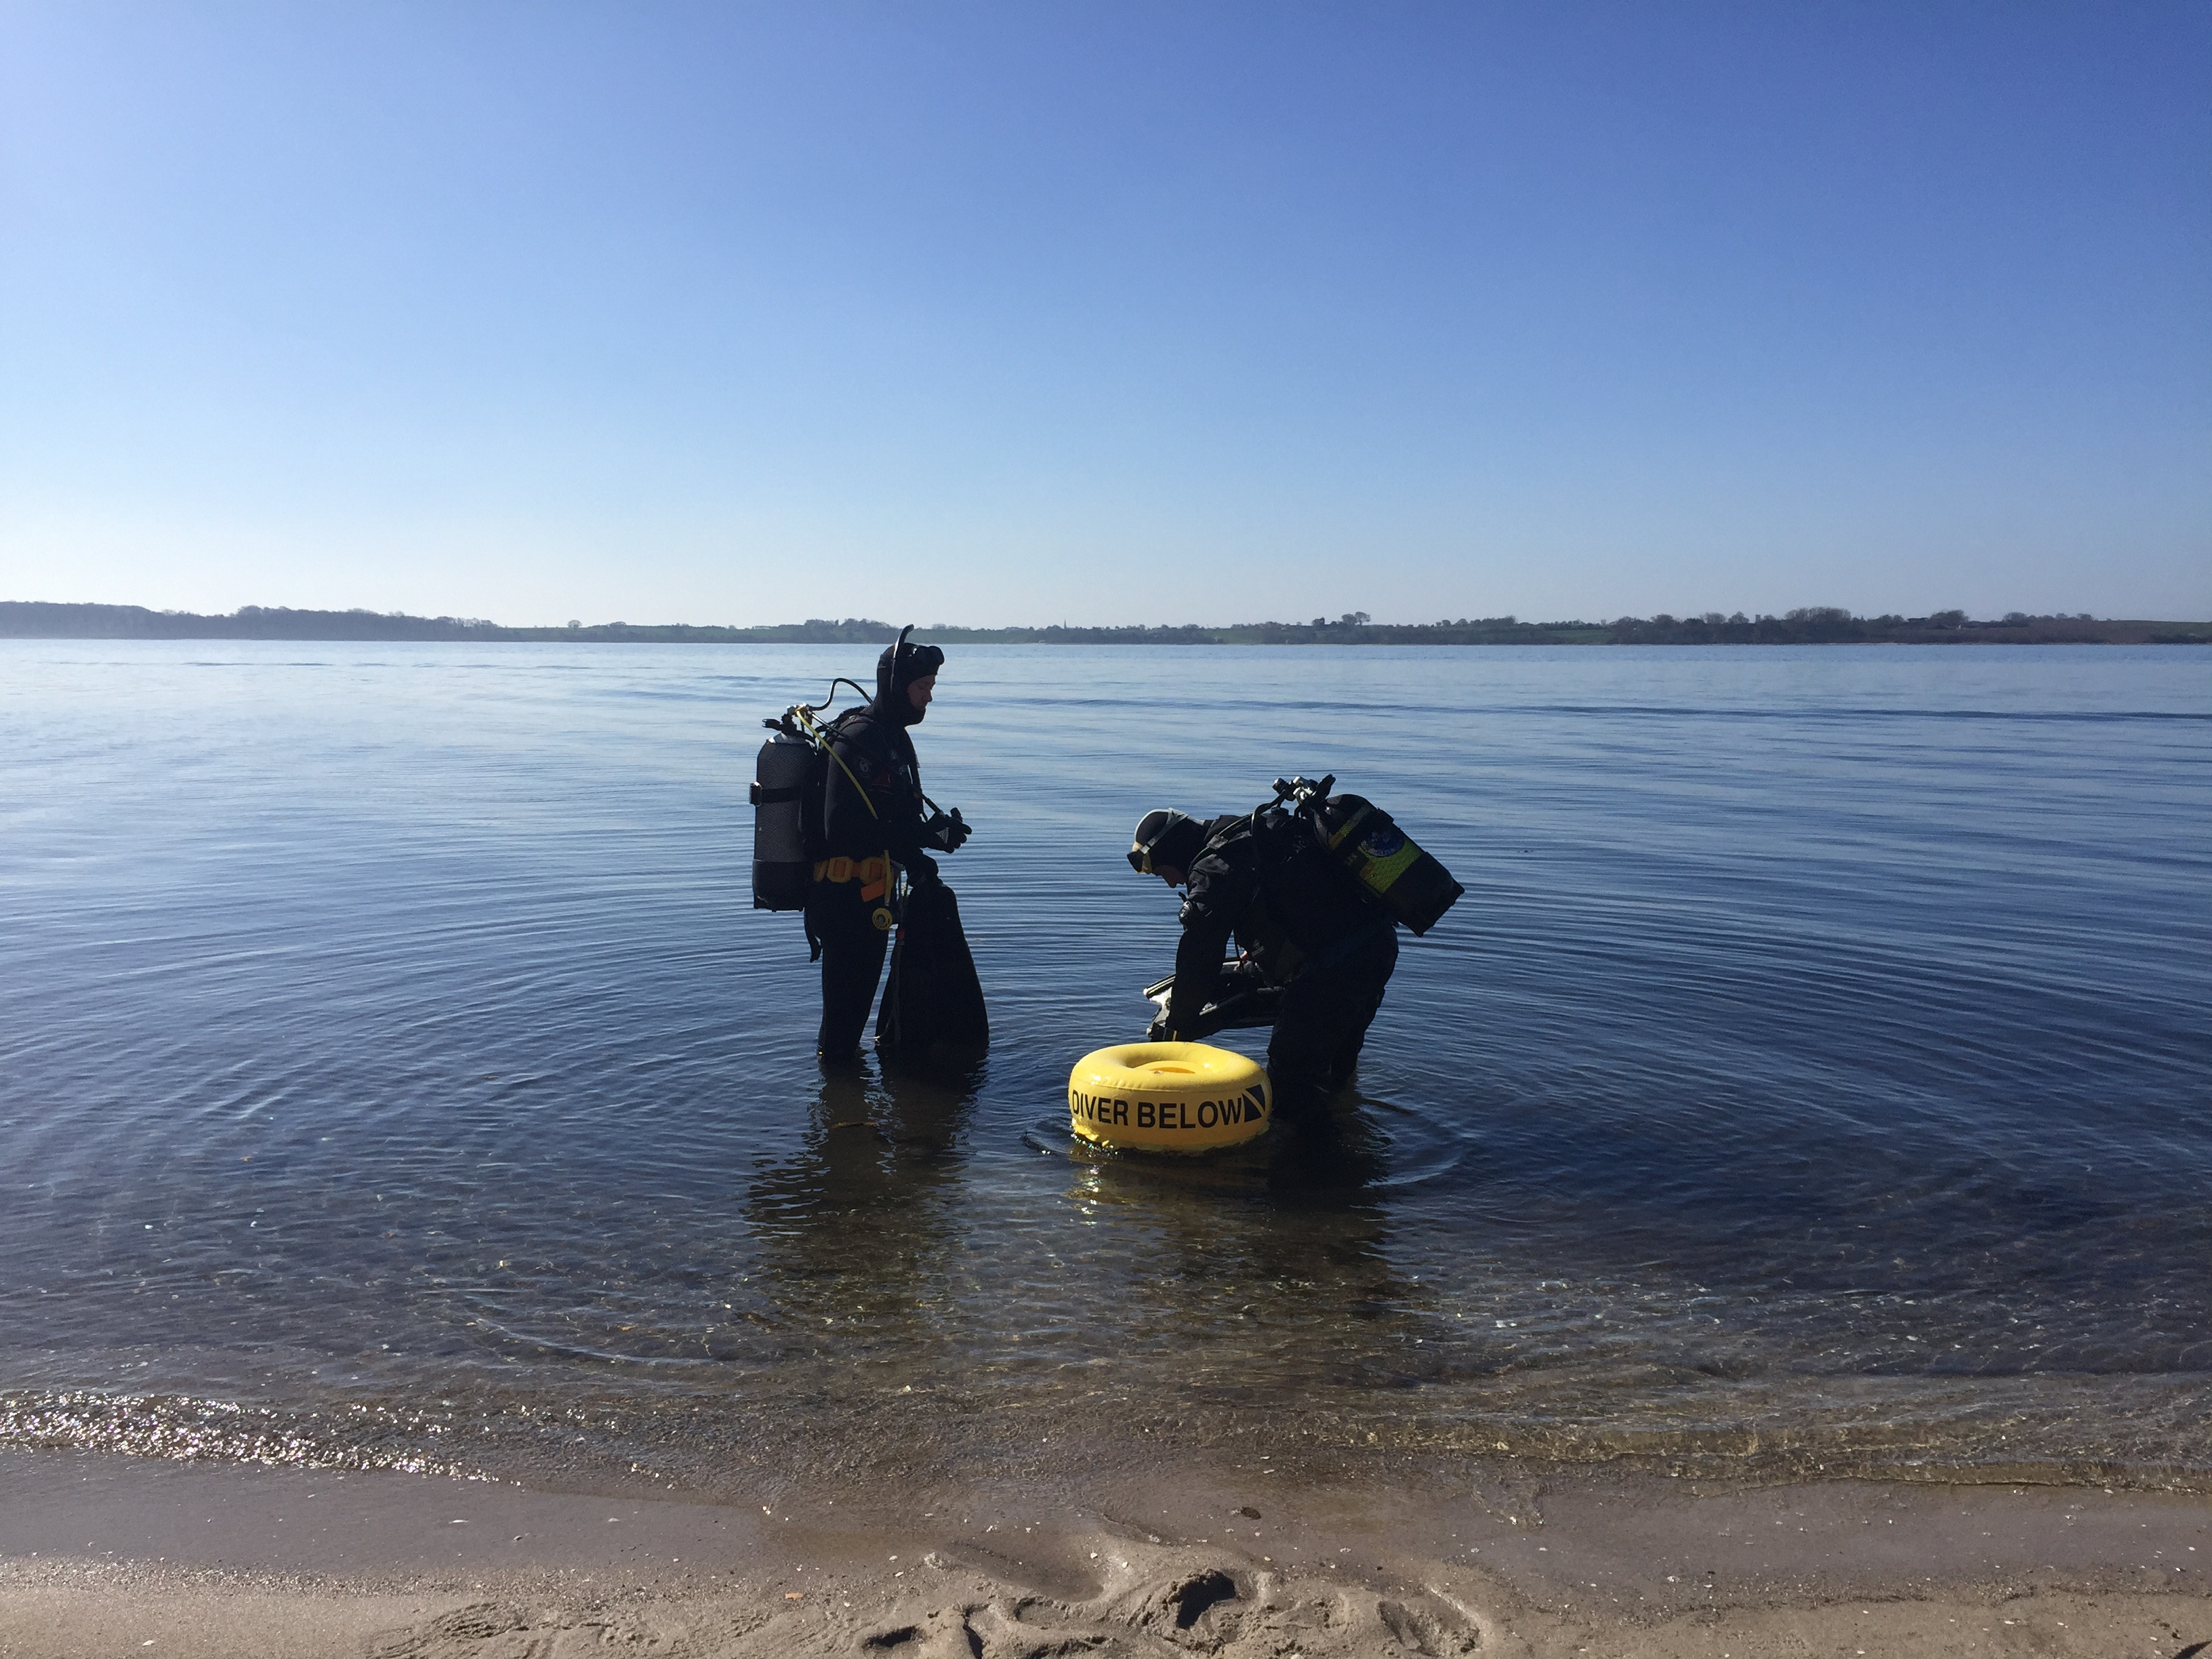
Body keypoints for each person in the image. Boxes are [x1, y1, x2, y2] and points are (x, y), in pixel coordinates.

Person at [1128, 804, 1397, 1126]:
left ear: (1173, 851)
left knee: (1290, 1075)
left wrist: (1178, 1023)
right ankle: (1351, 1135)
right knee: (1336, 1062)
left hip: (1334, 969)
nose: (1171, 883)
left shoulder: (1213, 868)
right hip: (1376, 946)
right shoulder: (1250, 834)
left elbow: (1199, 958)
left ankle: (1311, 1163)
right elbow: (1301, 899)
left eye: (1162, 872)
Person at [807, 630, 970, 1063]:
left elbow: (890, 821)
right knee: (842, 1030)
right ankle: (837, 1113)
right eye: (923, 689)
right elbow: (842, 829)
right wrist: (922, 837)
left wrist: (923, 852)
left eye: (931, 688)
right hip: (844, 902)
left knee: (851, 1022)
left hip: (870, 900)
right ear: (897, 687)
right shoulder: (859, 738)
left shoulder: (893, 738)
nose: (928, 699)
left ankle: (845, 1111)